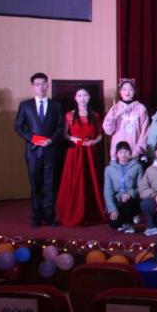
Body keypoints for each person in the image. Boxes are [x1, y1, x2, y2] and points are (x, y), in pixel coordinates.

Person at [56, 86, 105, 227]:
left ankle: (91, 212)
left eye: (85, 95)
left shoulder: (95, 116)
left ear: (89, 98)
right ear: (75, 98)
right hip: (75, 153)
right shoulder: (69, 115)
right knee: (75, 181)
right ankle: (73, 211)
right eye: (79, 95)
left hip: (90, 152)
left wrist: (93, 142)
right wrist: (73, 139)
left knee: (91, 180)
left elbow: (100, 134)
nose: (82, 98)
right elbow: (65, 134)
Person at [102, 79, 149, 159]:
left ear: (134, 91)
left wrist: (137, 151)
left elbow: (145, 132)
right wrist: (113, 116)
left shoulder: (141, 108)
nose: (127, 92)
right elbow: (108, 131)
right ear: (120, 92)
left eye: (130, 89)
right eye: (124, 89)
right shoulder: (115, 108)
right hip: (118, 151)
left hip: (135, 150)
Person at [103, 141, 142, 233]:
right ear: (116, 154)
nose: (123, 155)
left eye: (126, 152)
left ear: (130, 153)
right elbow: (108, 191)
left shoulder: (137, 167)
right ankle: (125, 221)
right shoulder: (109, 169)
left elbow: (141, 187)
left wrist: (131, 194)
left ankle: (129, 222)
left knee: (126, 200)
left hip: (131, 200)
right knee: (114, 223)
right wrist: (112, 209)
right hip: (118, 201)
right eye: (120, 152)